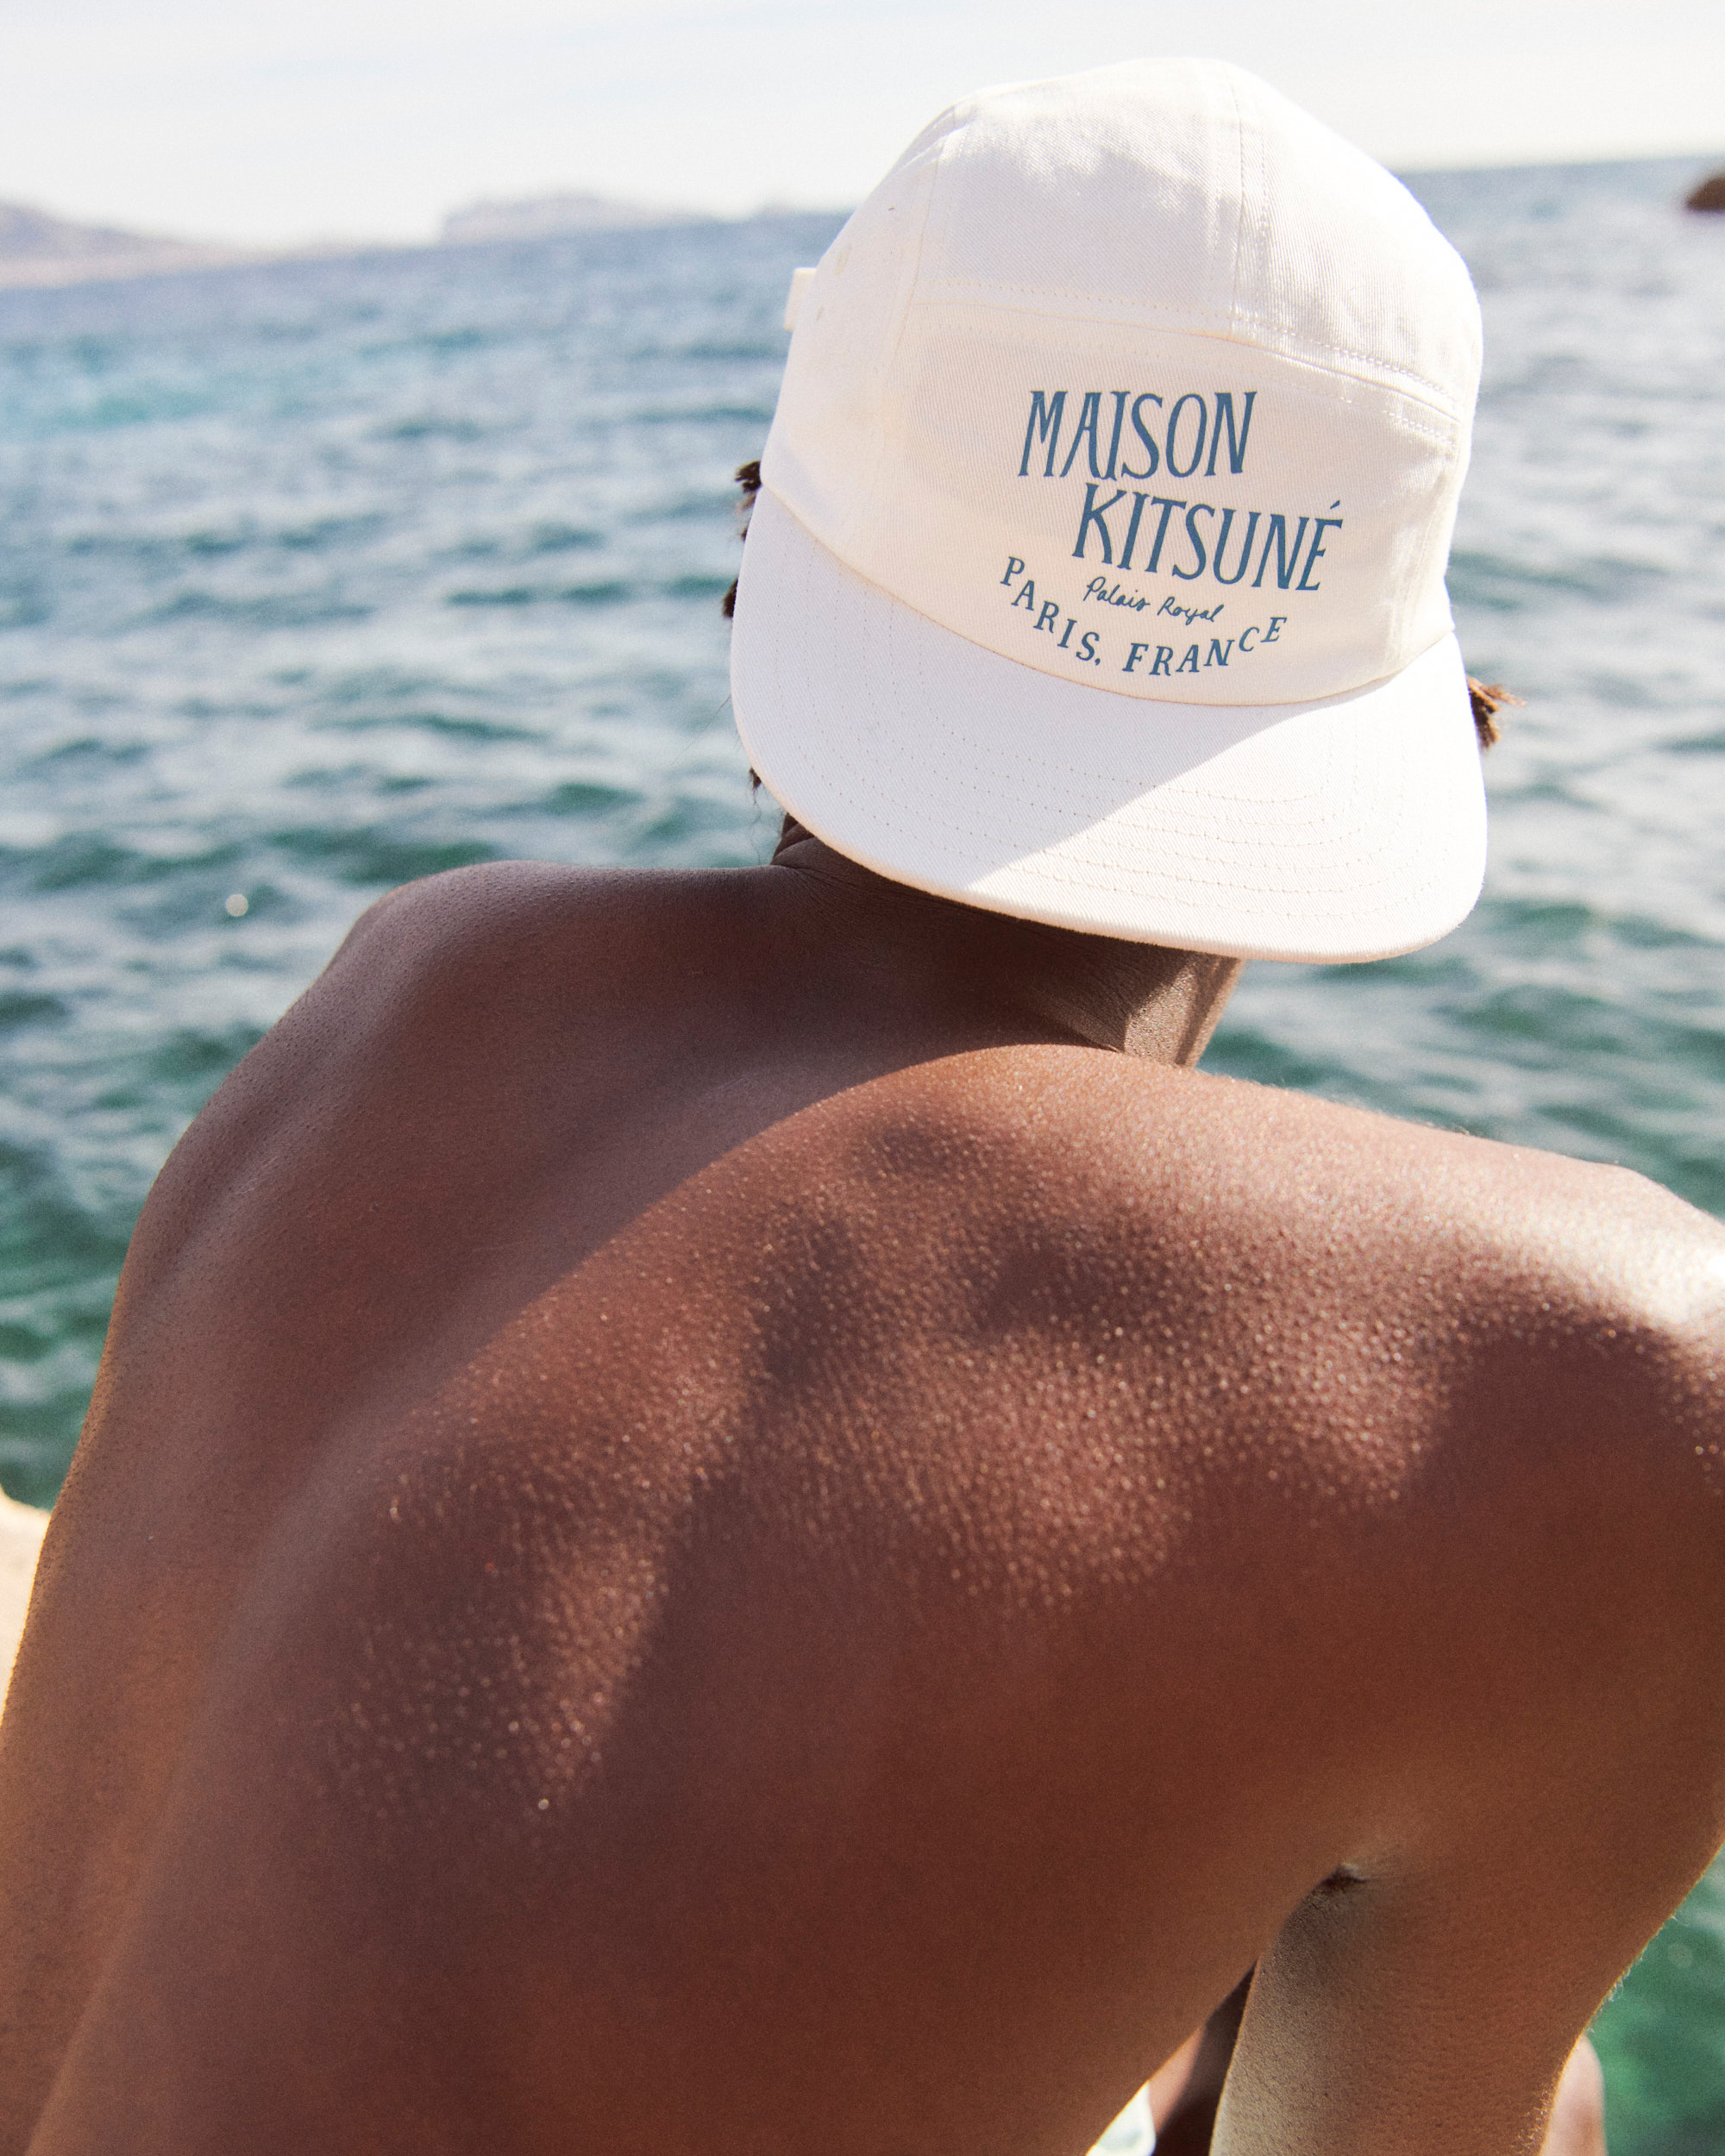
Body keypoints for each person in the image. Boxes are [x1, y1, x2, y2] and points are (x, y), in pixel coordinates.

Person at [1, 56, 1721, 2156]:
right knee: (1538, 2091)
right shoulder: (1607, 1363)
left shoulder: (401, 977)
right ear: (1444, 721)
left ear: (765, 551)